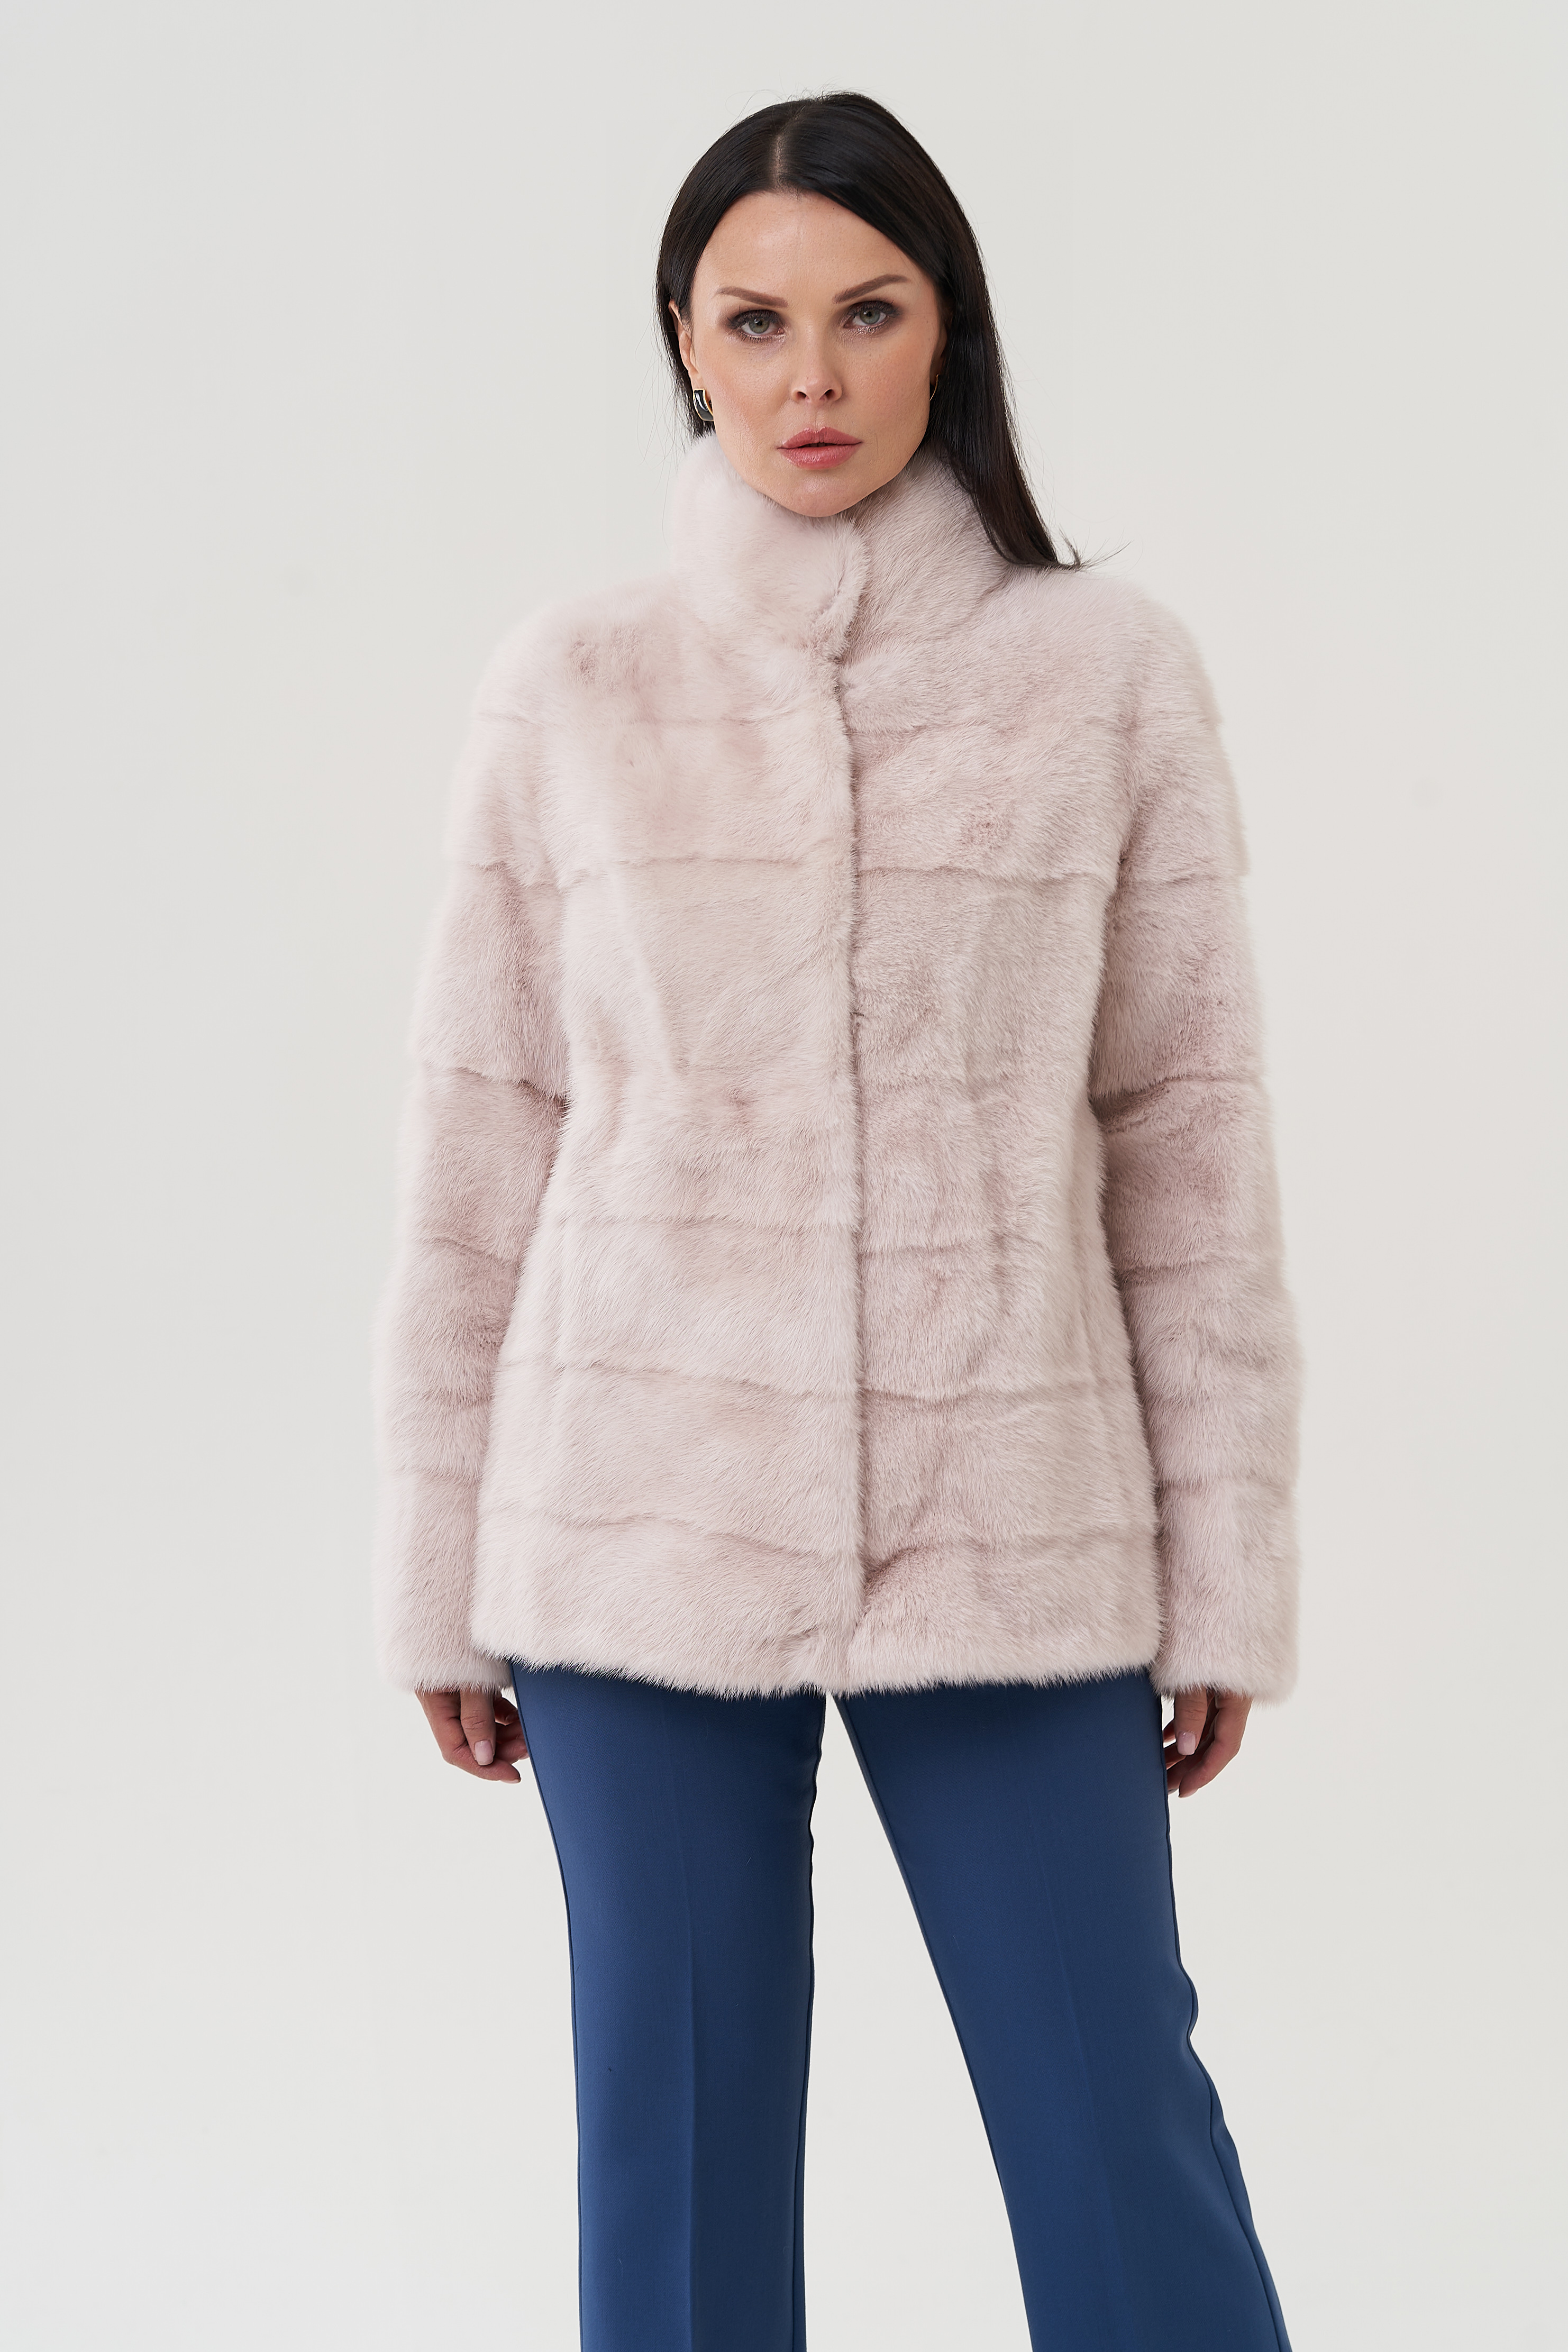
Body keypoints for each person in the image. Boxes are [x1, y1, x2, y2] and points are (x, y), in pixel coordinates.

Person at [372, 90, 1299, 2352]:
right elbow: (483, 1133)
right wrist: (443, 1562)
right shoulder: (574, 683)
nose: (811, 376)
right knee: (674, 2159)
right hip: (632, 1516)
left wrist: (1220, 1562)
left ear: (946, 331)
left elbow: (1183, 1138)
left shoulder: (1107, 678)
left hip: (1015, 1518)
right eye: (755, 320)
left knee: (1111, 2121)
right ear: (681, 341)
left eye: (868, 314)